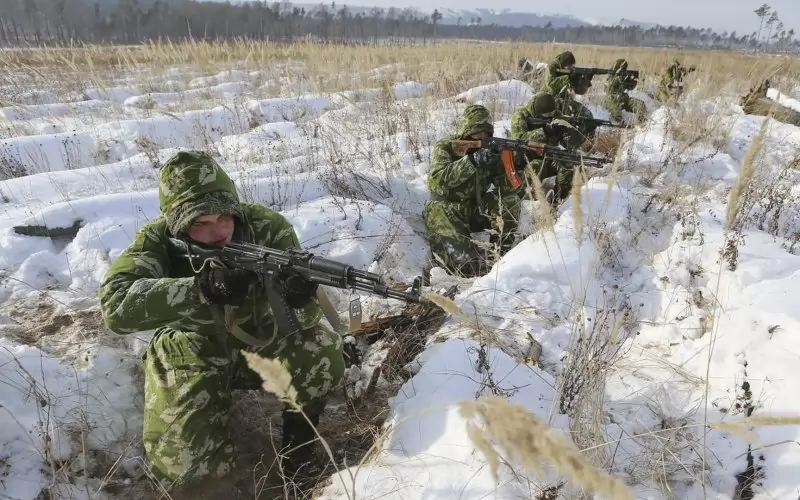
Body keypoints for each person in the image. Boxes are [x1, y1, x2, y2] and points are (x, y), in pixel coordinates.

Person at [98, 150, 345, 495]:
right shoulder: (156, 242)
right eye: (200, 223)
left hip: (258, 341)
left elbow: (301, 322)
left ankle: (299, 449)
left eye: (224, 217)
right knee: (189, 477)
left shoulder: (267, 228)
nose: (218, 232)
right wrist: (200, 289)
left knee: (321, 349)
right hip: (191, 351)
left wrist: (298, 296)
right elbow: (115, 306)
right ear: (177, 224)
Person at [423, 104, 523, 278]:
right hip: (448, 210)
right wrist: (472, 161)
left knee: (510, 202)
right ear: (466, 131)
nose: (482, 137)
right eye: (477, 133)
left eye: (486, 133)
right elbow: (437, 180)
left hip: (477, 209)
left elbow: (510, 189)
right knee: (463, 264)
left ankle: (500, 256)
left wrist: (516, 163)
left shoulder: (493, 150)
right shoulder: (446, 146)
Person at [509, 92, 576, 204]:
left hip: (549, 154)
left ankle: (558, 199)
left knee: (568, 163)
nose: (550, 116)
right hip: (526, 159)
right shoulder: (521, 116)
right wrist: (544, 131)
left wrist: (567, 133)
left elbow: (567, 144)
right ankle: (528, 198)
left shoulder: (556, 115)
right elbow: (519, 139)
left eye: (552, 113)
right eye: (547, 115)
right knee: (536, 166)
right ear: (538, 113)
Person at [540, 50, 597, 149]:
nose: (571, 69)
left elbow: (580, 92)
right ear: (563, 65)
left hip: (565, 101)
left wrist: (586, 80)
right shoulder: (552, 67)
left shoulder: (570, 72)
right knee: (569, 122)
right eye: (569, 68)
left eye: (572, 67)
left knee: (586, 115)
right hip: (550, 101)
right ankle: (568, 144)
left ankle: (587, 145)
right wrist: (569, 77)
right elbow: (551, 85)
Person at [603, 58, 647, 124]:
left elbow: (630, 88)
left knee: (640, 105)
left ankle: (642, 124)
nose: (623, 70)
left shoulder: (624, 76)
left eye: (624, 68)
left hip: (623, 98)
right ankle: (618, 126)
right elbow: (608, 88)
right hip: (611, 100)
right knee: (616, 112)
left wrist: (633, 80)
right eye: (621, 68)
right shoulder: (610, 76)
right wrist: (618, 78)